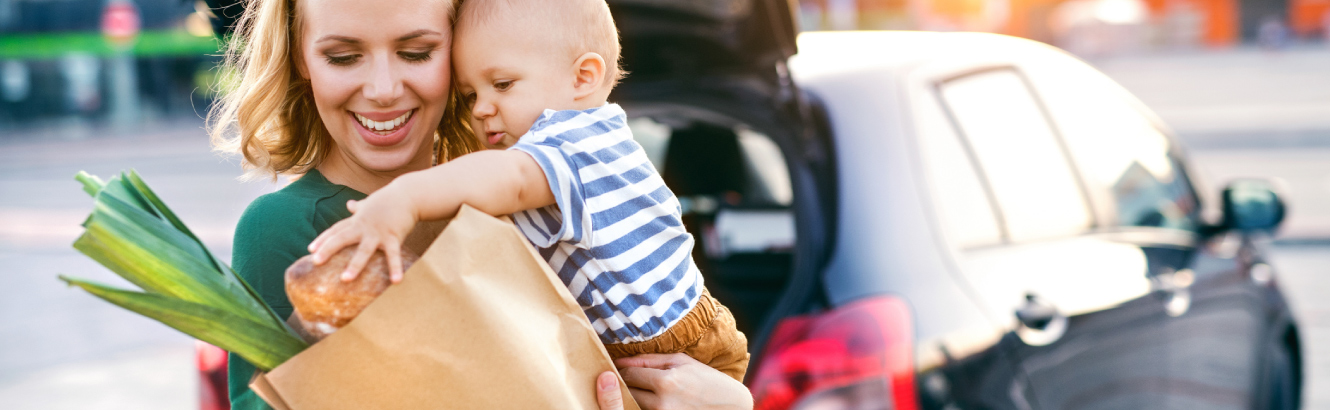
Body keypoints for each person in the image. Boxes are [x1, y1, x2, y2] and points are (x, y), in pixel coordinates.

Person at [206, 0, 753, 408]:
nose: (383, 88)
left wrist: (731, 402)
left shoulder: (519, 200)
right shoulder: (282, 229)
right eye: (343, 56)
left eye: (417, 52)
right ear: (303, 60)